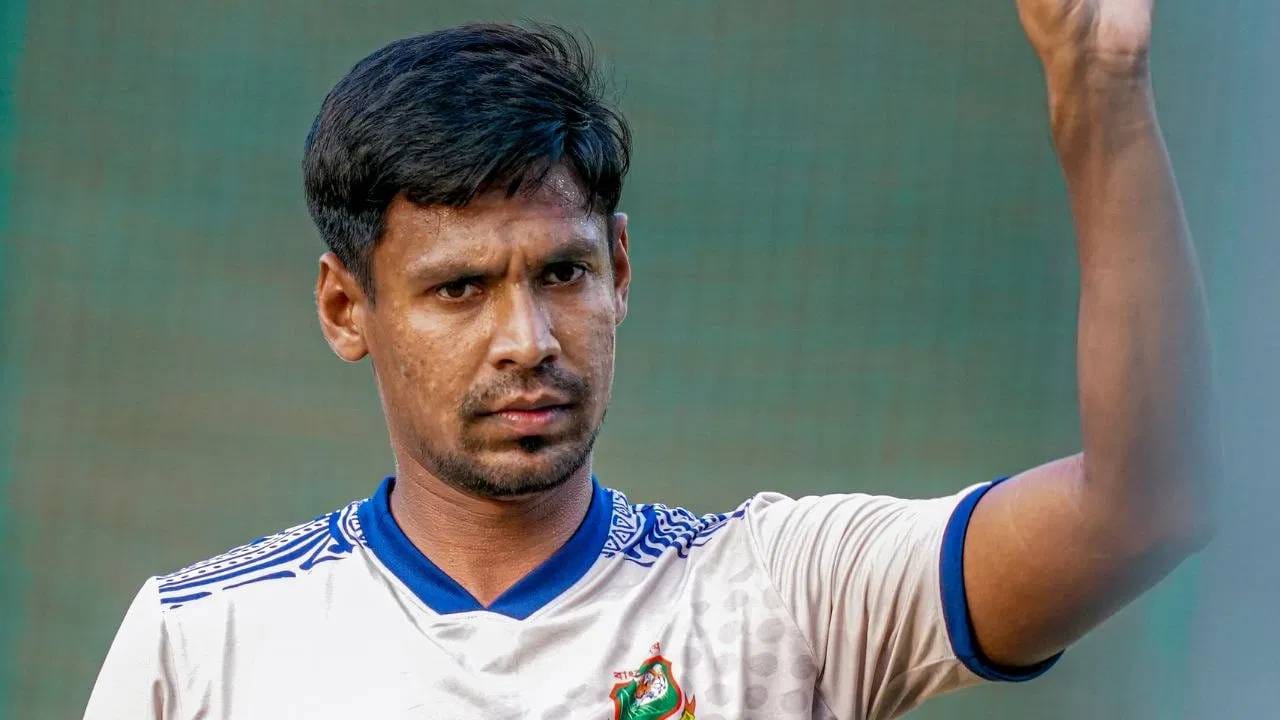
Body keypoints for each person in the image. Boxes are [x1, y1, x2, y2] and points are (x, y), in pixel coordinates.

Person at [83, 1, 1216, 717]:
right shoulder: (203, 643)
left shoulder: (785, 596)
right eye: (459, 289)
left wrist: (1100, 92)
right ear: (347, 308)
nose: (527, 340)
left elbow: (1145, 508)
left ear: (620, 267)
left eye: (561, 273)